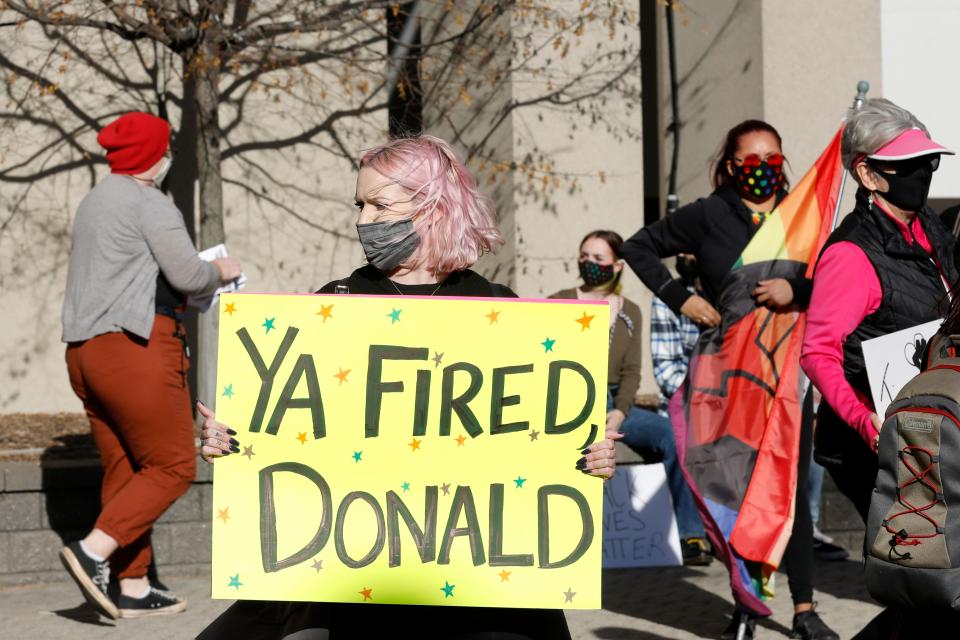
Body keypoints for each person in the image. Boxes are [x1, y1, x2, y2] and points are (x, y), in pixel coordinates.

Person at [195, 135, 620, 640]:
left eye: (379, 204)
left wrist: (588, 458)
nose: (363, 220)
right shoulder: (334, 304)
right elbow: (290, 431)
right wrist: (232, 441)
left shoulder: (499, 311)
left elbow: (536, 443)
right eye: (359, 204)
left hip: (476, 590)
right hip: (360, 585)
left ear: (431, 206)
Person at [621, 120, 838, 640]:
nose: (761, 167)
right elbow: (638, 247)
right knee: (734, 490)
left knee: (787, 488)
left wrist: (796, 291)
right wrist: (683, 299)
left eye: (772, 158)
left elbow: (831, 280)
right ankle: (746, 601)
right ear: (732, 163)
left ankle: (805, 610)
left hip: (787, 377)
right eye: (751, 158)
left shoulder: (803, 214)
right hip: (730, 378)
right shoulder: (709, 213)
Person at [58, 111, 242, 619]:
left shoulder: (94, 201)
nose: (168, 159)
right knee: (174, 465)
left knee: (127, 466)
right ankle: (91, 550)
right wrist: (221, 270)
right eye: (166, 151)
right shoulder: (150, 202)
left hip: (83, 352)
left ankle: (132, 586)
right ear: (153, 158)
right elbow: (187, 274)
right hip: (136, 347)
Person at [801, 99, 956, 526]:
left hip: (935, 424)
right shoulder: (851, 254)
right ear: (868, 173)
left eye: (928, 162)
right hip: (878, 440)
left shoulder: (929, 224)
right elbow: (817, 353)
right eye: (907, 165)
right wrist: (863, 422)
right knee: (920, 569)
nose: (922, 173)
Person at [549, 232, 711, 566]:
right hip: (568, 401)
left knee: (672, 436)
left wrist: (620, 413)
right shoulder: (558, 301)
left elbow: (632, 372)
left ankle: (689, 534)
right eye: (585, 256)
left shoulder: (630, 311)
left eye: (598, 259)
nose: (589, 264)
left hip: (613, 404)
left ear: (617, 265)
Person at [650, 254, 700, 418]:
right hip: (683, 409)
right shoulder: (668, 295)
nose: (680, 255)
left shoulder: (735, 291)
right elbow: (666, 369)